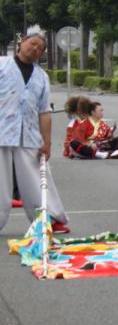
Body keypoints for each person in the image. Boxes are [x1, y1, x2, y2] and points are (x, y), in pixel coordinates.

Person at [0, 31, 70, 234]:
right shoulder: (2, 65)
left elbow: (44, 111)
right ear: (22, 43)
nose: (35, 49)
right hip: (2, 130)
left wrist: (47, 142)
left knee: (36, 178)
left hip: (28, 133)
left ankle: (49, 218)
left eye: (40, 48)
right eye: (32, 43)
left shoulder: (42, 77)